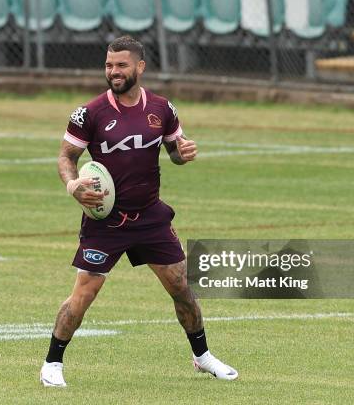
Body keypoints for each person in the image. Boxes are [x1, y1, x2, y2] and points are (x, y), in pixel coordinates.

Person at [40, 36, 238, 387]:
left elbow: (175, 150)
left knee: (181, 287)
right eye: (108, 65)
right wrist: (72, 186)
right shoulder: (89, 113)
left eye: (121, 65)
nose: (113, 72)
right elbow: (65, 157)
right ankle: (52, 363)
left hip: (150, 216)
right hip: (106, 221)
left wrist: (183, 152)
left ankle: (202, 356)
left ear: (140, 67)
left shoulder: (162, 108)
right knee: (84, 293)